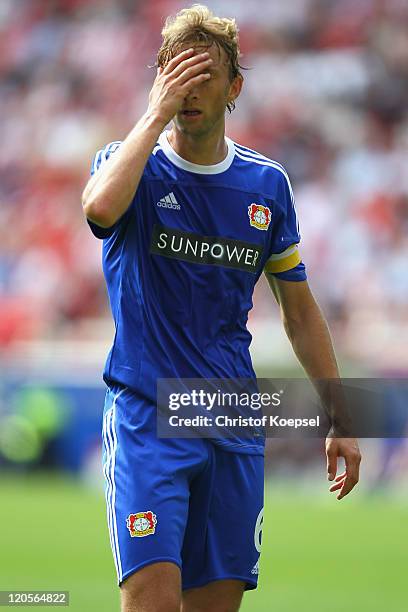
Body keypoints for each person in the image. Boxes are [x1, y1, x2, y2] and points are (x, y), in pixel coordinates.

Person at [82, 5, 361, 611]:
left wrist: (339, 414)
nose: (191, 88)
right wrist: (153, 114)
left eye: (205, 74)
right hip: (147, 416)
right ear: (160, 79)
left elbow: (299, 311)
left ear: (234, 87)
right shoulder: (132, 164)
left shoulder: (266, 186)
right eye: (176, 72)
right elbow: (99, 212)